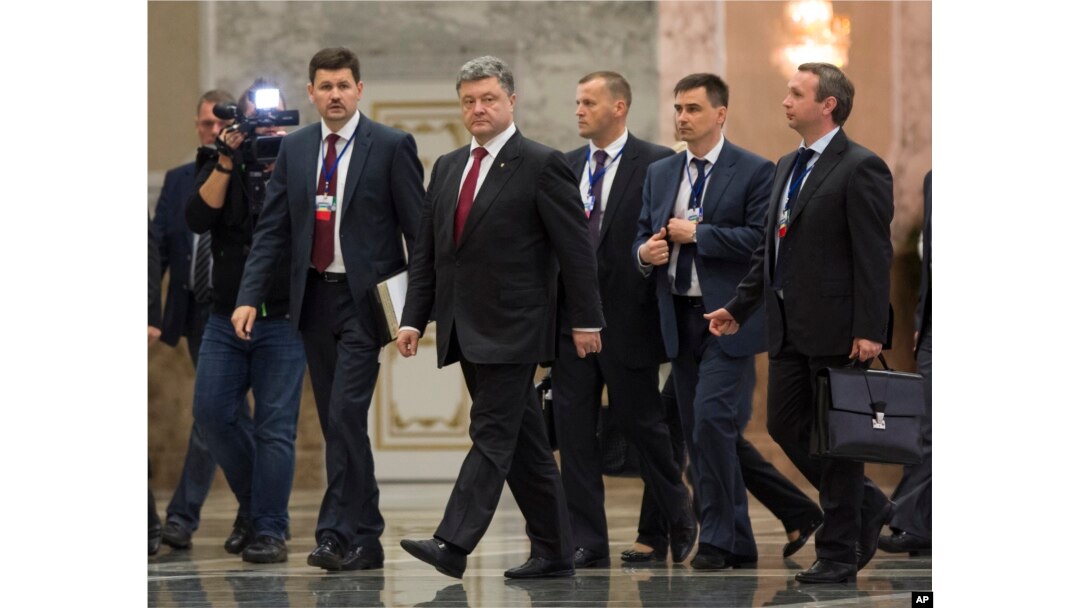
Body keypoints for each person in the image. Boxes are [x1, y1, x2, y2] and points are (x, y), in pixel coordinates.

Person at [396, 55, 604, 580]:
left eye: (489, 98)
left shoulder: (541, 163)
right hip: (464, 327)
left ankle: (453, 541)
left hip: (517, 326)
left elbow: (575, 250)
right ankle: (556, 550)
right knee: (525, 442)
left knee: (489, 431)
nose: (478, 108)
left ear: (511, 101)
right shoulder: (445, 167)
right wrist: (412, 319)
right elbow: (429, 254)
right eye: (469, 100)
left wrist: (587, 320)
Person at [233, 48, 424, 571]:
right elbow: (272, 229)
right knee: (338, 421)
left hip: (366, 303)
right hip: (313, 299)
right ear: (312, 92)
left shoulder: (389, 145)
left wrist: (415, 312)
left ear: (359, 89)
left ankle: (343, 531)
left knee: (344, 414)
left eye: (344, 84)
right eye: (325, 85)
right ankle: (358, 537)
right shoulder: (294, 150)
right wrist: (249, 295)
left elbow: (418, 233)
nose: (335, 94)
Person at [706, 62, 894, 584]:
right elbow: (771, 252)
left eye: (796, 93)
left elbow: (874, 255)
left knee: (838, 440)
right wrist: (739, 307)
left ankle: (836, 554)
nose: (785, 101)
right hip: (786, 325)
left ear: (827, 104)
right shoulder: (787, 163)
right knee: (784, 425)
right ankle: (869, 504)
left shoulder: (862, 166)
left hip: (840, 328)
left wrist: (870, 326)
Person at [551, 70, 695, 569]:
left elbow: (661, 236)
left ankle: (678, 514)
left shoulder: (657, 163)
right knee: (573, 434)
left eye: (588, 102)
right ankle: (587, 540)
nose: (578, 110)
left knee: (644, 426)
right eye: (576, 101)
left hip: (628, 320)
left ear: (619, 107)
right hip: (571, 324)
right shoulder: (564, 167)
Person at [632, 73, 773, 570]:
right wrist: (645, 253)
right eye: (677, 109)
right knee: (696, 432)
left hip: (727, 319)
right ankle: (737, 541)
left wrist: (701, 234)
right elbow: (641, 237)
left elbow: (762, 241)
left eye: (693, 109)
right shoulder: (661, 172)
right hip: (678, 317)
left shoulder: (755, 170)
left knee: (713, 424)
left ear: (720, 113)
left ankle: (719, 538)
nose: (682, 118)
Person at [187, 78, 307, 564]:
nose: (266, 124)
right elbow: (198, 218)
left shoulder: (302, 158)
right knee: (213, 415)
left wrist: (284, 160)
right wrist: (226, 158)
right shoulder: (218, 158)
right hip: (224, 313)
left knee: (277, 426)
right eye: (258, 116)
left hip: (282, 317)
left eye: (275, 115)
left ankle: (269, 530)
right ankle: (256, 509)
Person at [151, 89, 253, 552]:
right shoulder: (177, 181)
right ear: (197, 127)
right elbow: (156, 251)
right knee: (217, 412)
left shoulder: (253, 172)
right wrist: (151, 315)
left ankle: (190, 516)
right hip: (197, 309)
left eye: (220, 124)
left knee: (221, 414)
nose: (213, 132)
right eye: (205, 125)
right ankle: (252, 514)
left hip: (249, 307)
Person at [879, 170, 932, 555]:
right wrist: (921, 321)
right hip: (934, 329)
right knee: (927, 425)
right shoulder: (934, 179)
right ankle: (911, 520)